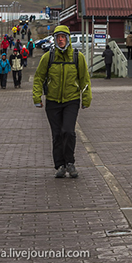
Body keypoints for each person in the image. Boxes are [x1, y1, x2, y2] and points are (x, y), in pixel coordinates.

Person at [33, 25, 92, 179]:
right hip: (52, 102)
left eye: (63, 37)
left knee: (68, 131)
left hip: (71, 100)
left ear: (68, 39)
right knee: (57, 134)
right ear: (55, 39)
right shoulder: (48, 57)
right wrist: (37, 97)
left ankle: (70, 162)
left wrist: (86, 99)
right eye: (58, 37)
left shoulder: (77, 57)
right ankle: (60, 165)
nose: (60, 39)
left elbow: (84, 79)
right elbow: (39, 77)